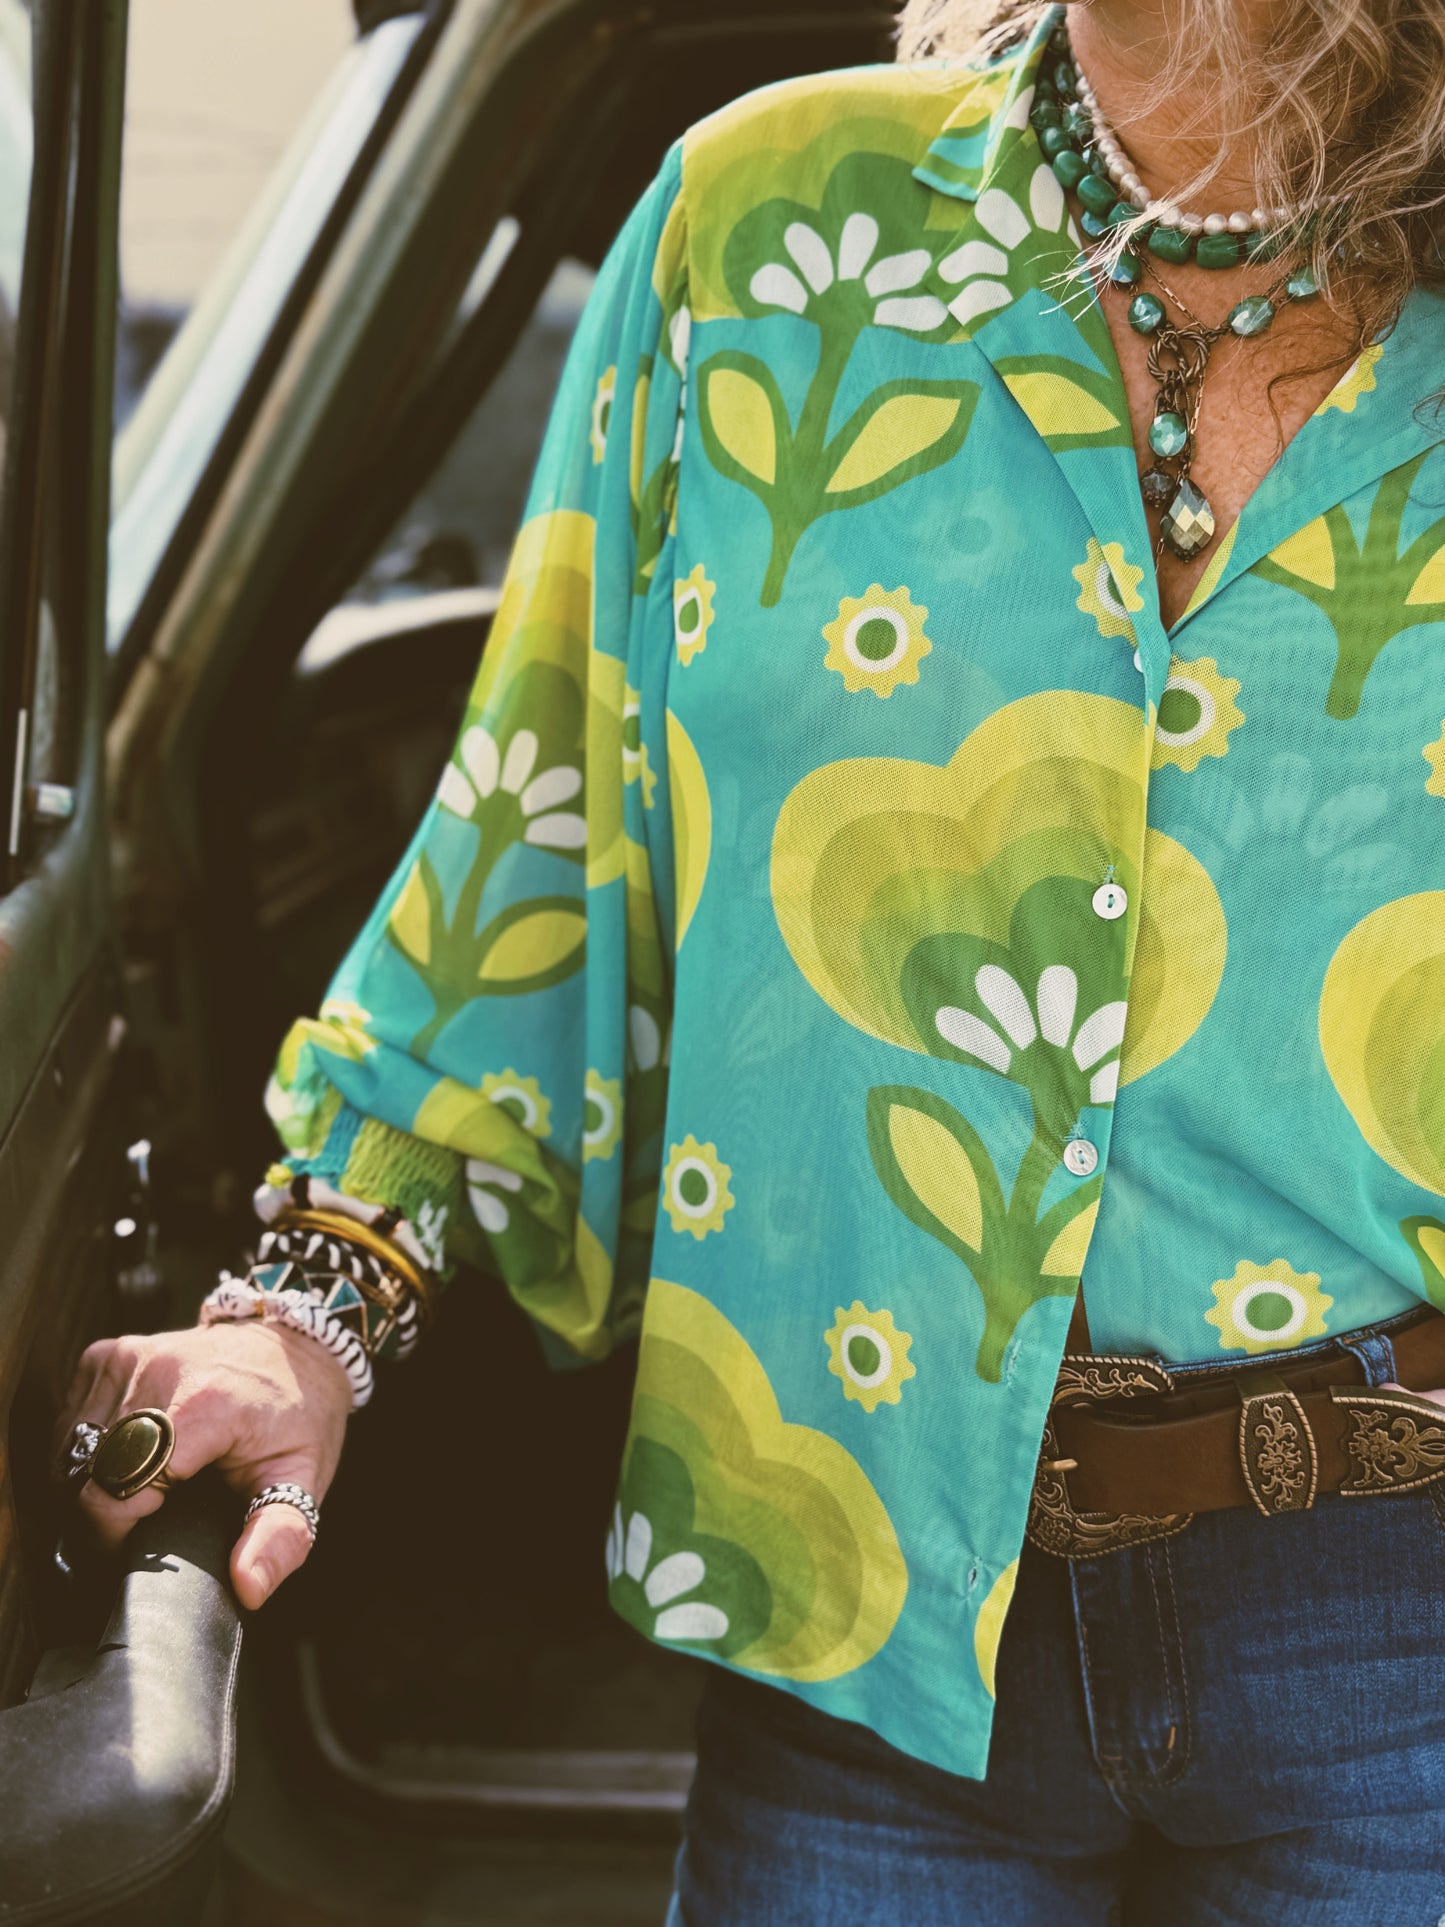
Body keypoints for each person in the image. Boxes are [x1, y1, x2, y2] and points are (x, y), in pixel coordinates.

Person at [59, 0, 1445, 1917]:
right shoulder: (762, 224)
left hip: (1402, 1615)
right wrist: (304, 1307)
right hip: (852, 1584)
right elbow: (537, 827)